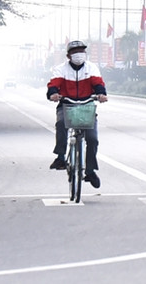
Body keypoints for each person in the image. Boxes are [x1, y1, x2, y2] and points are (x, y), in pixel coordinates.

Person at [47, 40, 108, 188]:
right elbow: (53, 85)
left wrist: (101, 94)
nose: (78, 55)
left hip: (87, 105)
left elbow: (98, 84)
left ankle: (90, 170)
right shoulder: (61, 69)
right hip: (67, 104)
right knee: (61, 124)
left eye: (81, 51)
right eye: (75, 52)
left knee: (92, 139)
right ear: (68, 56)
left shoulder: (91, 68)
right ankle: (61, 157)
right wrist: (53, 94)